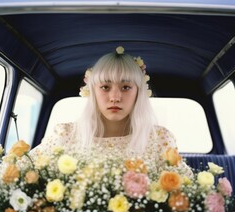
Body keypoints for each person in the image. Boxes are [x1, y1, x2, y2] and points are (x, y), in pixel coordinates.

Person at [31, 46, 192, 177]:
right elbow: (20, 174)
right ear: (93, 91)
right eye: (105, 87)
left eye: (126, 87)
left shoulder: (160, 139)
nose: (115, 97)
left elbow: (186, 189)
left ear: (139, 92)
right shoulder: (64, 136)